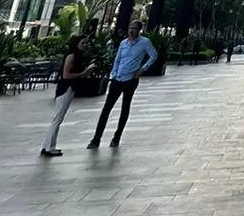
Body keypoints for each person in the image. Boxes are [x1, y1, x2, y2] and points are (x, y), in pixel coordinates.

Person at [87, 19, 157, 149]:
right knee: (106, 109)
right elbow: (117, 59)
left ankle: (116, 137)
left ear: (139, 30)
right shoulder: (123, 43)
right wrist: (114, 74)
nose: (131, 30)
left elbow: (153, 55)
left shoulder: (145, 43)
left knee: (125, 108)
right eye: (130, 27)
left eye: (135, 28)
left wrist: (142, 70)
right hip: (117, 79)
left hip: (131, 80)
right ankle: (96, 138)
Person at [40, 34, 94, 157]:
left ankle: (48, 145)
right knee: (58, 118)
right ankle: (49, 147)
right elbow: (66, 75)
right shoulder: (72, 56)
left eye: (86, 43)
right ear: (77, 43)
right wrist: (82, 73)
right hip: (66, 88)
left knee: (58, 118)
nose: (85, 46)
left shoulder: (76, 56)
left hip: (69, 88)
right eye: (83, 43)